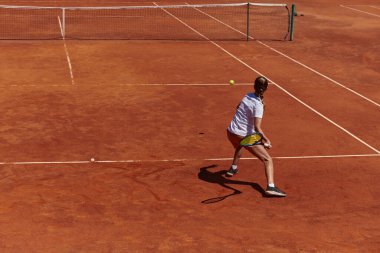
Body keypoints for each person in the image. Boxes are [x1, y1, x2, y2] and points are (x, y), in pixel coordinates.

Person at [226, 76, 286, 197]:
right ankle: (271, 187)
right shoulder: (258, 105)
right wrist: (266, 140)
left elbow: (238, 107)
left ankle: (233, 168)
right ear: (266, 88)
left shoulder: (247, 95)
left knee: (241, 144)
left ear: (254, 86)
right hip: (244, 135)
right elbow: (257, 128)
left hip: (231, 132)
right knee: (267, 159)